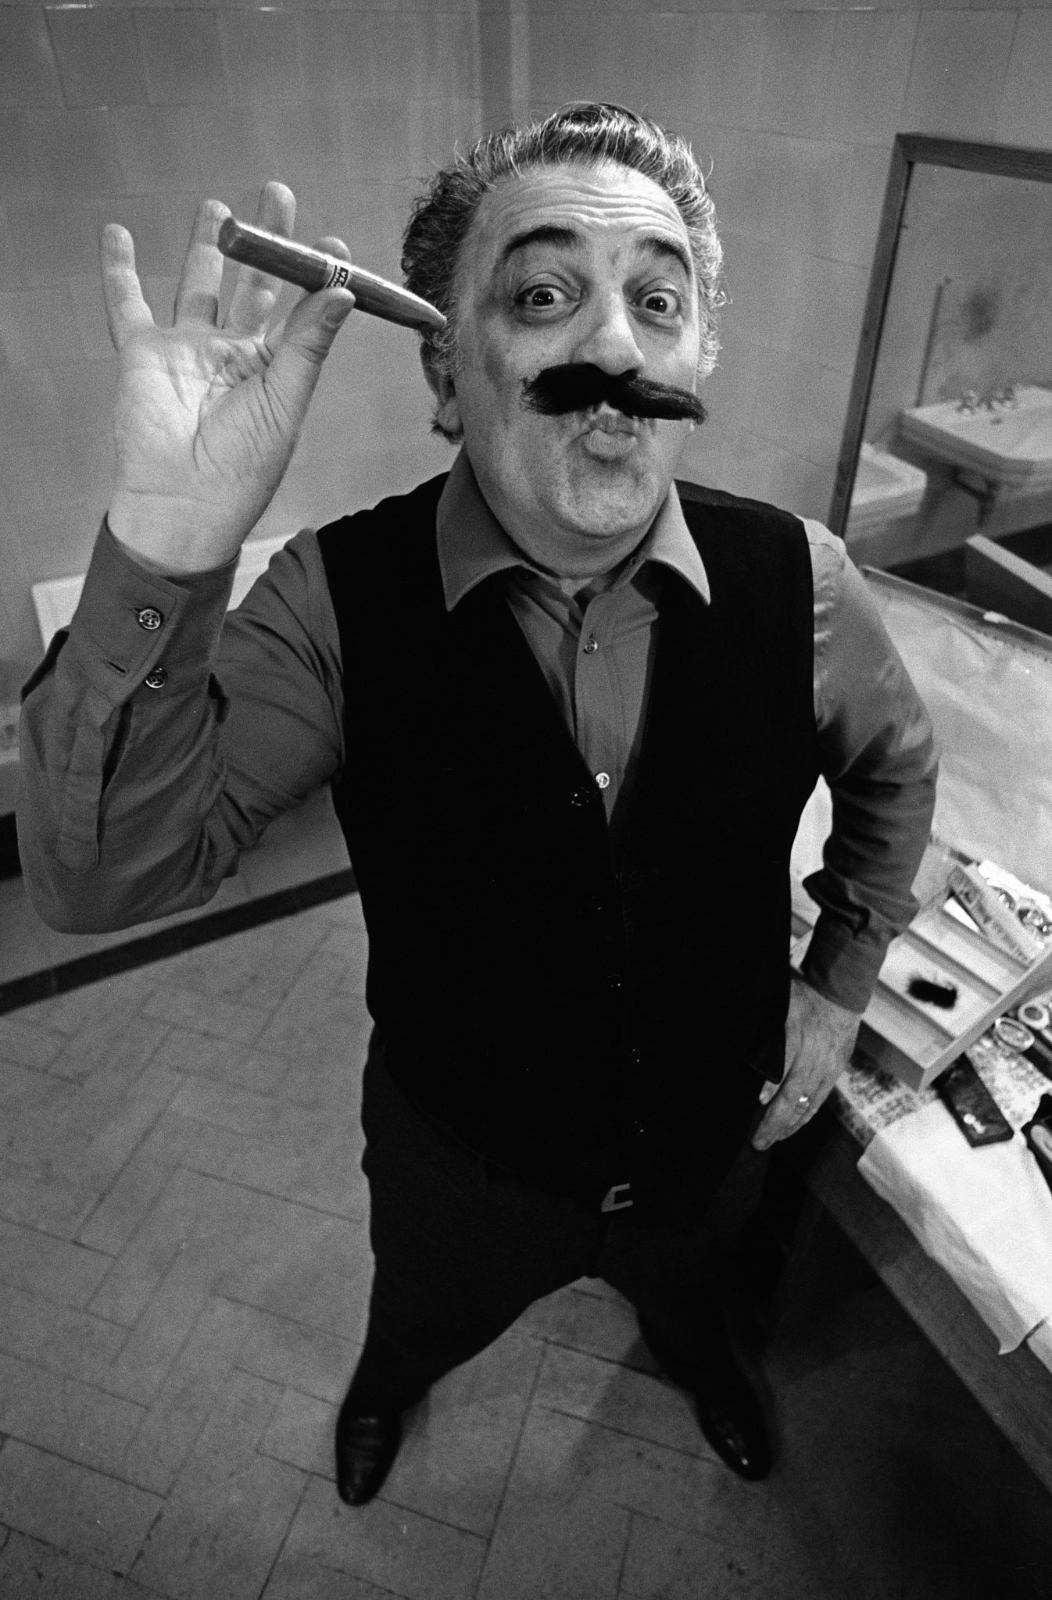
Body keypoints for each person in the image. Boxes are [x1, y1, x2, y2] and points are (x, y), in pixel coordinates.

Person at [18, 103, 937, 1503]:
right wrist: (166, 549)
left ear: (698, 357)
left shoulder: (801, 584)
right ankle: (387, 1389)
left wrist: (839, 980)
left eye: (657, 302)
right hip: (460, 1159)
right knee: (421, 1315)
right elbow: (96, 884)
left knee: (693, 1299)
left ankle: (706, 1362)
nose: (614, 347)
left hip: (716, 1130)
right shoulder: (333, 602)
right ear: (448, 370)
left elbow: (895, 768)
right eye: (544, 295)